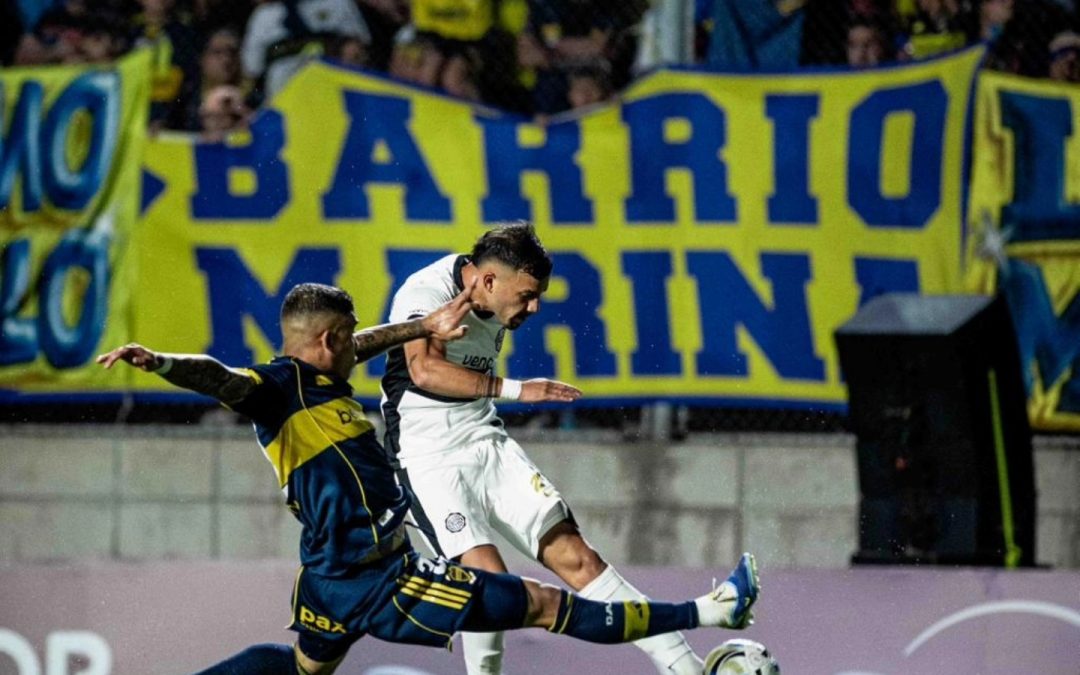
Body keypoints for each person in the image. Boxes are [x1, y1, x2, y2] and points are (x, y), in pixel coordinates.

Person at [97, 281, 761, 674]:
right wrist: (160, 362)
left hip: (334, 574)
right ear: (326, 342)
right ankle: (710, 611)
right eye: (348, 338)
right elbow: (217, 375)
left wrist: (423, 325)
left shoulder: (321, 367)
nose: (357, 348)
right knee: (541, 602)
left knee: (303, 668)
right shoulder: (275, 389)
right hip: (381, 578)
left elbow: (362, 343)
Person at [380, 222, 718, 675]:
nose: (534, 307)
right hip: (426, 459)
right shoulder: (424, 292)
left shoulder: (496, 300)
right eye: (526, 295)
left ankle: (687, 667)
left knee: (578, 558)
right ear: (487, 281)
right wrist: (520, 390)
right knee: (490, 583)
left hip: (485, 440)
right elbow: (423, 372)